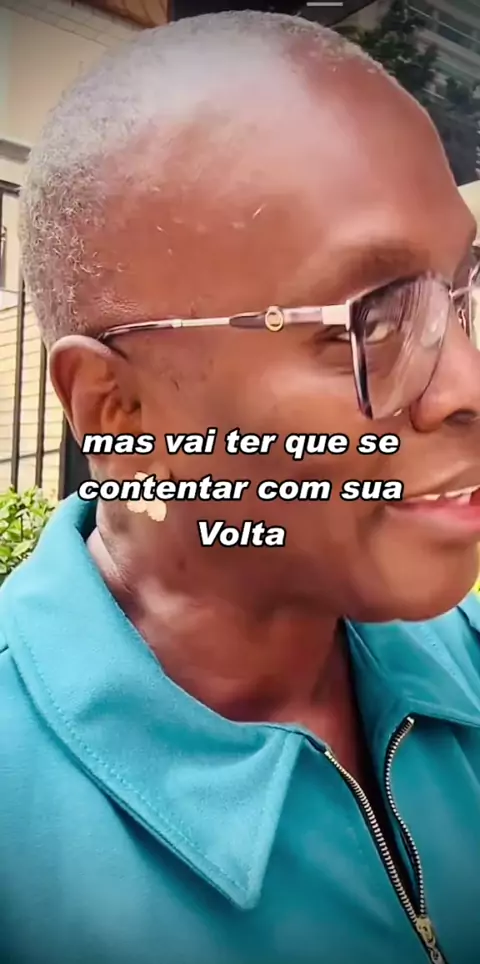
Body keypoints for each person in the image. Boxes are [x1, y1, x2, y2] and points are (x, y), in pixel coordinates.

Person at [2, 11, 480, 964]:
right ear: (120, 410)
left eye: (462, 296)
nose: (465, 386)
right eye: (369, 324)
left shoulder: (460, 664)